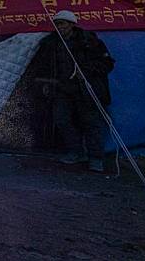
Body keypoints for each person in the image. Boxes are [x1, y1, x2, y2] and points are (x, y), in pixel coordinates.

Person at [38, 10, 115, 172]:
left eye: (63, 24)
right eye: (57, 24)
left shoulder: (89, 41)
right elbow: (43, 67)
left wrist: (85, 70)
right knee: (61, 119)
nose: (60, 27)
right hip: (61, 89)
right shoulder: (49, 43)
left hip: (86, 90)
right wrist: (45, 82)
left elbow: (107, 64)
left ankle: (95, 158)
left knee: (90, 123)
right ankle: (75, 152)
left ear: (72, 24)